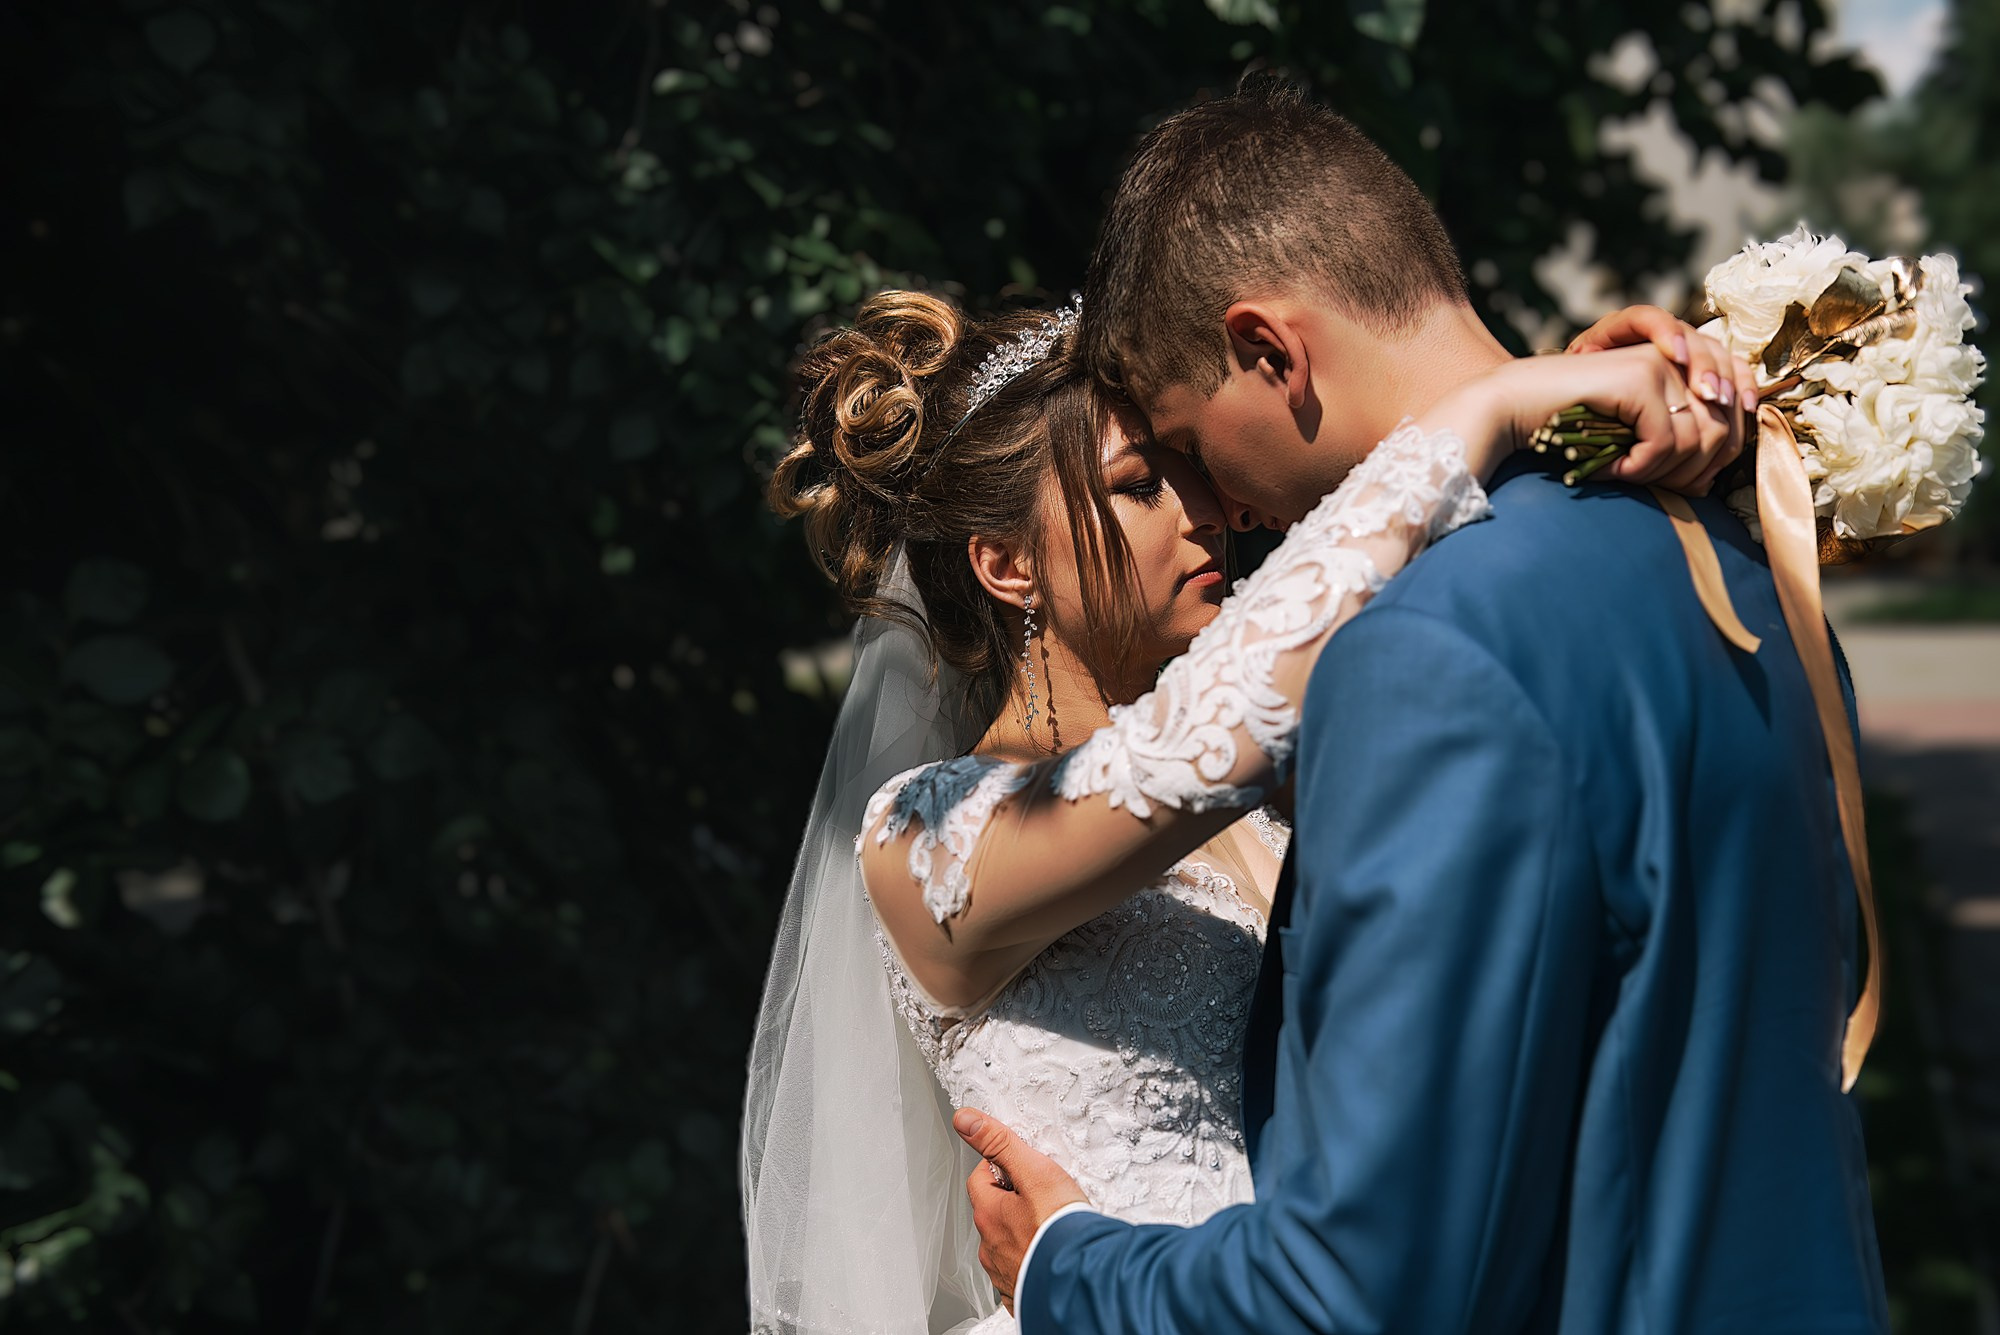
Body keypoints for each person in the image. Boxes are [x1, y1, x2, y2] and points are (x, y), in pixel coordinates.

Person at [952, 77, 1890, 1333]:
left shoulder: (1424, 657)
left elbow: (1361, 1292)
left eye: (1185, 444)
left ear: (1269, 353)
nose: (1212, 508)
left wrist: (1068, 1268)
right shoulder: (1731, 550)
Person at [743, 252, 1740, 1331]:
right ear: (1006, 567)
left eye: (1188, 471)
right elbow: (1190, 752)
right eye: (1137, 488)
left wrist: (1573, 422)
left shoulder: (1273, 787)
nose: (1205, 513)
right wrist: (1488, 403)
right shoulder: (925, 833)